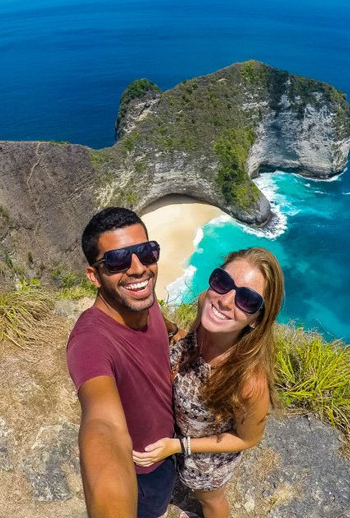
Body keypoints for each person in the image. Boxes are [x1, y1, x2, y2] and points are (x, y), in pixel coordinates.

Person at [132, 247, 284, 518]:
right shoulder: (207, 304)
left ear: (256, 320)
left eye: (247, 300)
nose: (225, 301)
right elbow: (188, 336)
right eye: (222, 282)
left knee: (210, 500)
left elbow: (248, 438)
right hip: (177, 435)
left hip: (205, 459)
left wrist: (180, 446)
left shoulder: (248, 381)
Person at [66, 207, 182, 518]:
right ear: (94, 275)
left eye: (146, 253)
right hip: (145, 466)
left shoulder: (142, 297)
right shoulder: (91, 342)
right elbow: (103, 424)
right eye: (117, 261)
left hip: (172, 438)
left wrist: (176, 332)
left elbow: (159, 320)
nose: (138, 269)